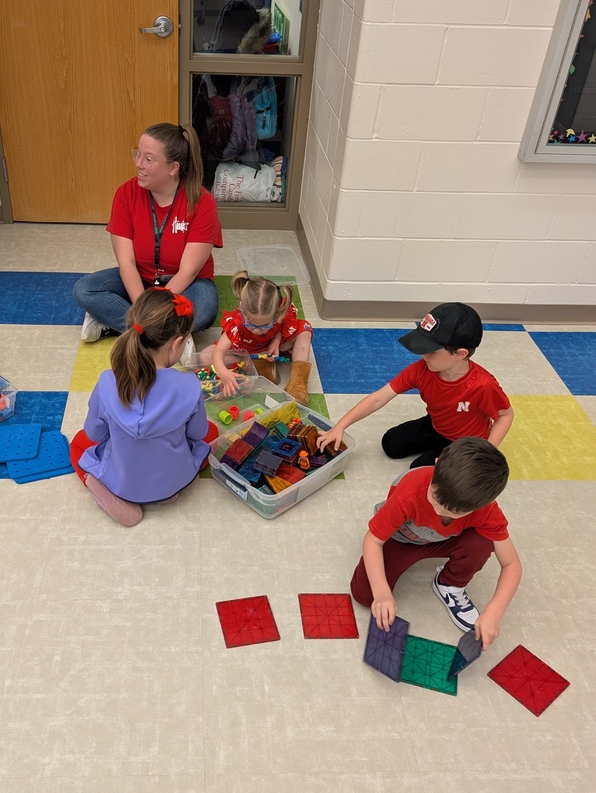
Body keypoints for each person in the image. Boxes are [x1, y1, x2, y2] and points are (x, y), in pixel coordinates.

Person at [351, 437, 522, 649]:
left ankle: (449, 583)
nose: (438, 511)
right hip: (400, 539)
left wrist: (494, 612)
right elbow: (373, 541)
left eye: (453, 512)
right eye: (435, 497)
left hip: (445, 541)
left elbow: (512, 565)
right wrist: (381, 593)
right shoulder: (410, 491)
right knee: (365, 596)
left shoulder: (486, 510)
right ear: (437, 463)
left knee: (484, 541)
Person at [73, 123, 223, 359]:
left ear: (173, 168)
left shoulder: (202, 202)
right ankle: (172, 336)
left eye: (149, 159)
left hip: (187, 284)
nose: (138, 163)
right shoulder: (125, 194)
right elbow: (127, 264)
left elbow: (188, 272)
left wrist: (149, 309)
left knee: (204, 309)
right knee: (85, 290)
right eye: (138, 154)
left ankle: (119, 326)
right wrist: (145, 306)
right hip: (141, 279)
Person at [69, 288, 212, 527]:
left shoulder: (107, 382)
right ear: (177, 343)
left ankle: (95, 482)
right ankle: (165, 492)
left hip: (123, 481)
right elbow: (198, 434)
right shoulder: (189, 385)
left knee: (78, 443)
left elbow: (95, 434)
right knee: (210, 434)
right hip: (173, 479)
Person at [316, 302, 513, 467]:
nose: (423, 355)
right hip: (435, 425)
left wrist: (484, 453)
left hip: (465, 443)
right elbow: (378, 398)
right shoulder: (422, 369)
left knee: (418, 470)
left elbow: (505, 415)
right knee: (390, 444)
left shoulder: (483, 384)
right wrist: (340, 426)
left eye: (431, 350)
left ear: (460, 354)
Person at [196, 270, 313, 404]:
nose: (257, 330)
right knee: (204, 357)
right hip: (245, 351)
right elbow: (219, 351)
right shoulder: (236, 322)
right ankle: (258, 365)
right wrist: (223, 372)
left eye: (264, 325)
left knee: (305, 330)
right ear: (241, 309)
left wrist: (276, 340)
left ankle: (298, 384)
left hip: (270, 346)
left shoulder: (280, 312)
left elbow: (284, 325)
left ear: (277, 314)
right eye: (250, 324)